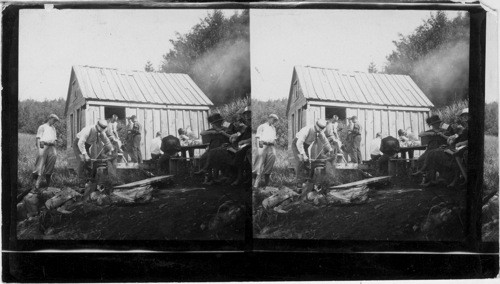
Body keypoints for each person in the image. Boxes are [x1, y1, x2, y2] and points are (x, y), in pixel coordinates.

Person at [292, 119, 334, 186]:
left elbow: (325, 141)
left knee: (308, 164)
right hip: (297, 145)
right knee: (300, 160)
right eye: (320, 128)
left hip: (305, 146)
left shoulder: (320, 132)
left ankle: (308, 182)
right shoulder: (307, 130)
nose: (321, 130)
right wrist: (303, 155)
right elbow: (299, 143)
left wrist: (331, 150)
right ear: (316, 126)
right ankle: (299, 183)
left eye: (322, 129)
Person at [73, 120, 114, 185]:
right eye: (101, 128)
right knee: (82, 160)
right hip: (78, 144)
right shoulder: (88, 130)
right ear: (98, 125)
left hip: (86, 146)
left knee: (88, 162)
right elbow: (80, 143)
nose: (102, 130)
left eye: (103, 128)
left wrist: (111, 149)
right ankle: (79, 181)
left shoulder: (101, 132)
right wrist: (85, 154)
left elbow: (106, 141)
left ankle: (88, 180)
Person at [32, 114, 60, 189]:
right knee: (40, 163)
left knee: (52, 161)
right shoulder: (42, 127)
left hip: (52, 146)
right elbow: (38, 138)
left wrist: (55, 144)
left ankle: (48, 183)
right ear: (50, 118)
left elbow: (55, 139)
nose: (54, 122)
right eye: (54, 120)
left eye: (56, 121)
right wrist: (39, 149)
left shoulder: (53, 128)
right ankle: (36, 183)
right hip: (43, 145)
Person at [253, 113, 278, 188]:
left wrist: (274, 143)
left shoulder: (273, 128)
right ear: (269, 118)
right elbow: (257, 137)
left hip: (271, 146)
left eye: (276, 120)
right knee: (259, 164)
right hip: (262, 145)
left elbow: (274, 139)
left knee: (270, 162)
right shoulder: (262, 126)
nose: (274, 121)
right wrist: (259, 148)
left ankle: (266, 184)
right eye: (273, 119)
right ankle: (255, 184)